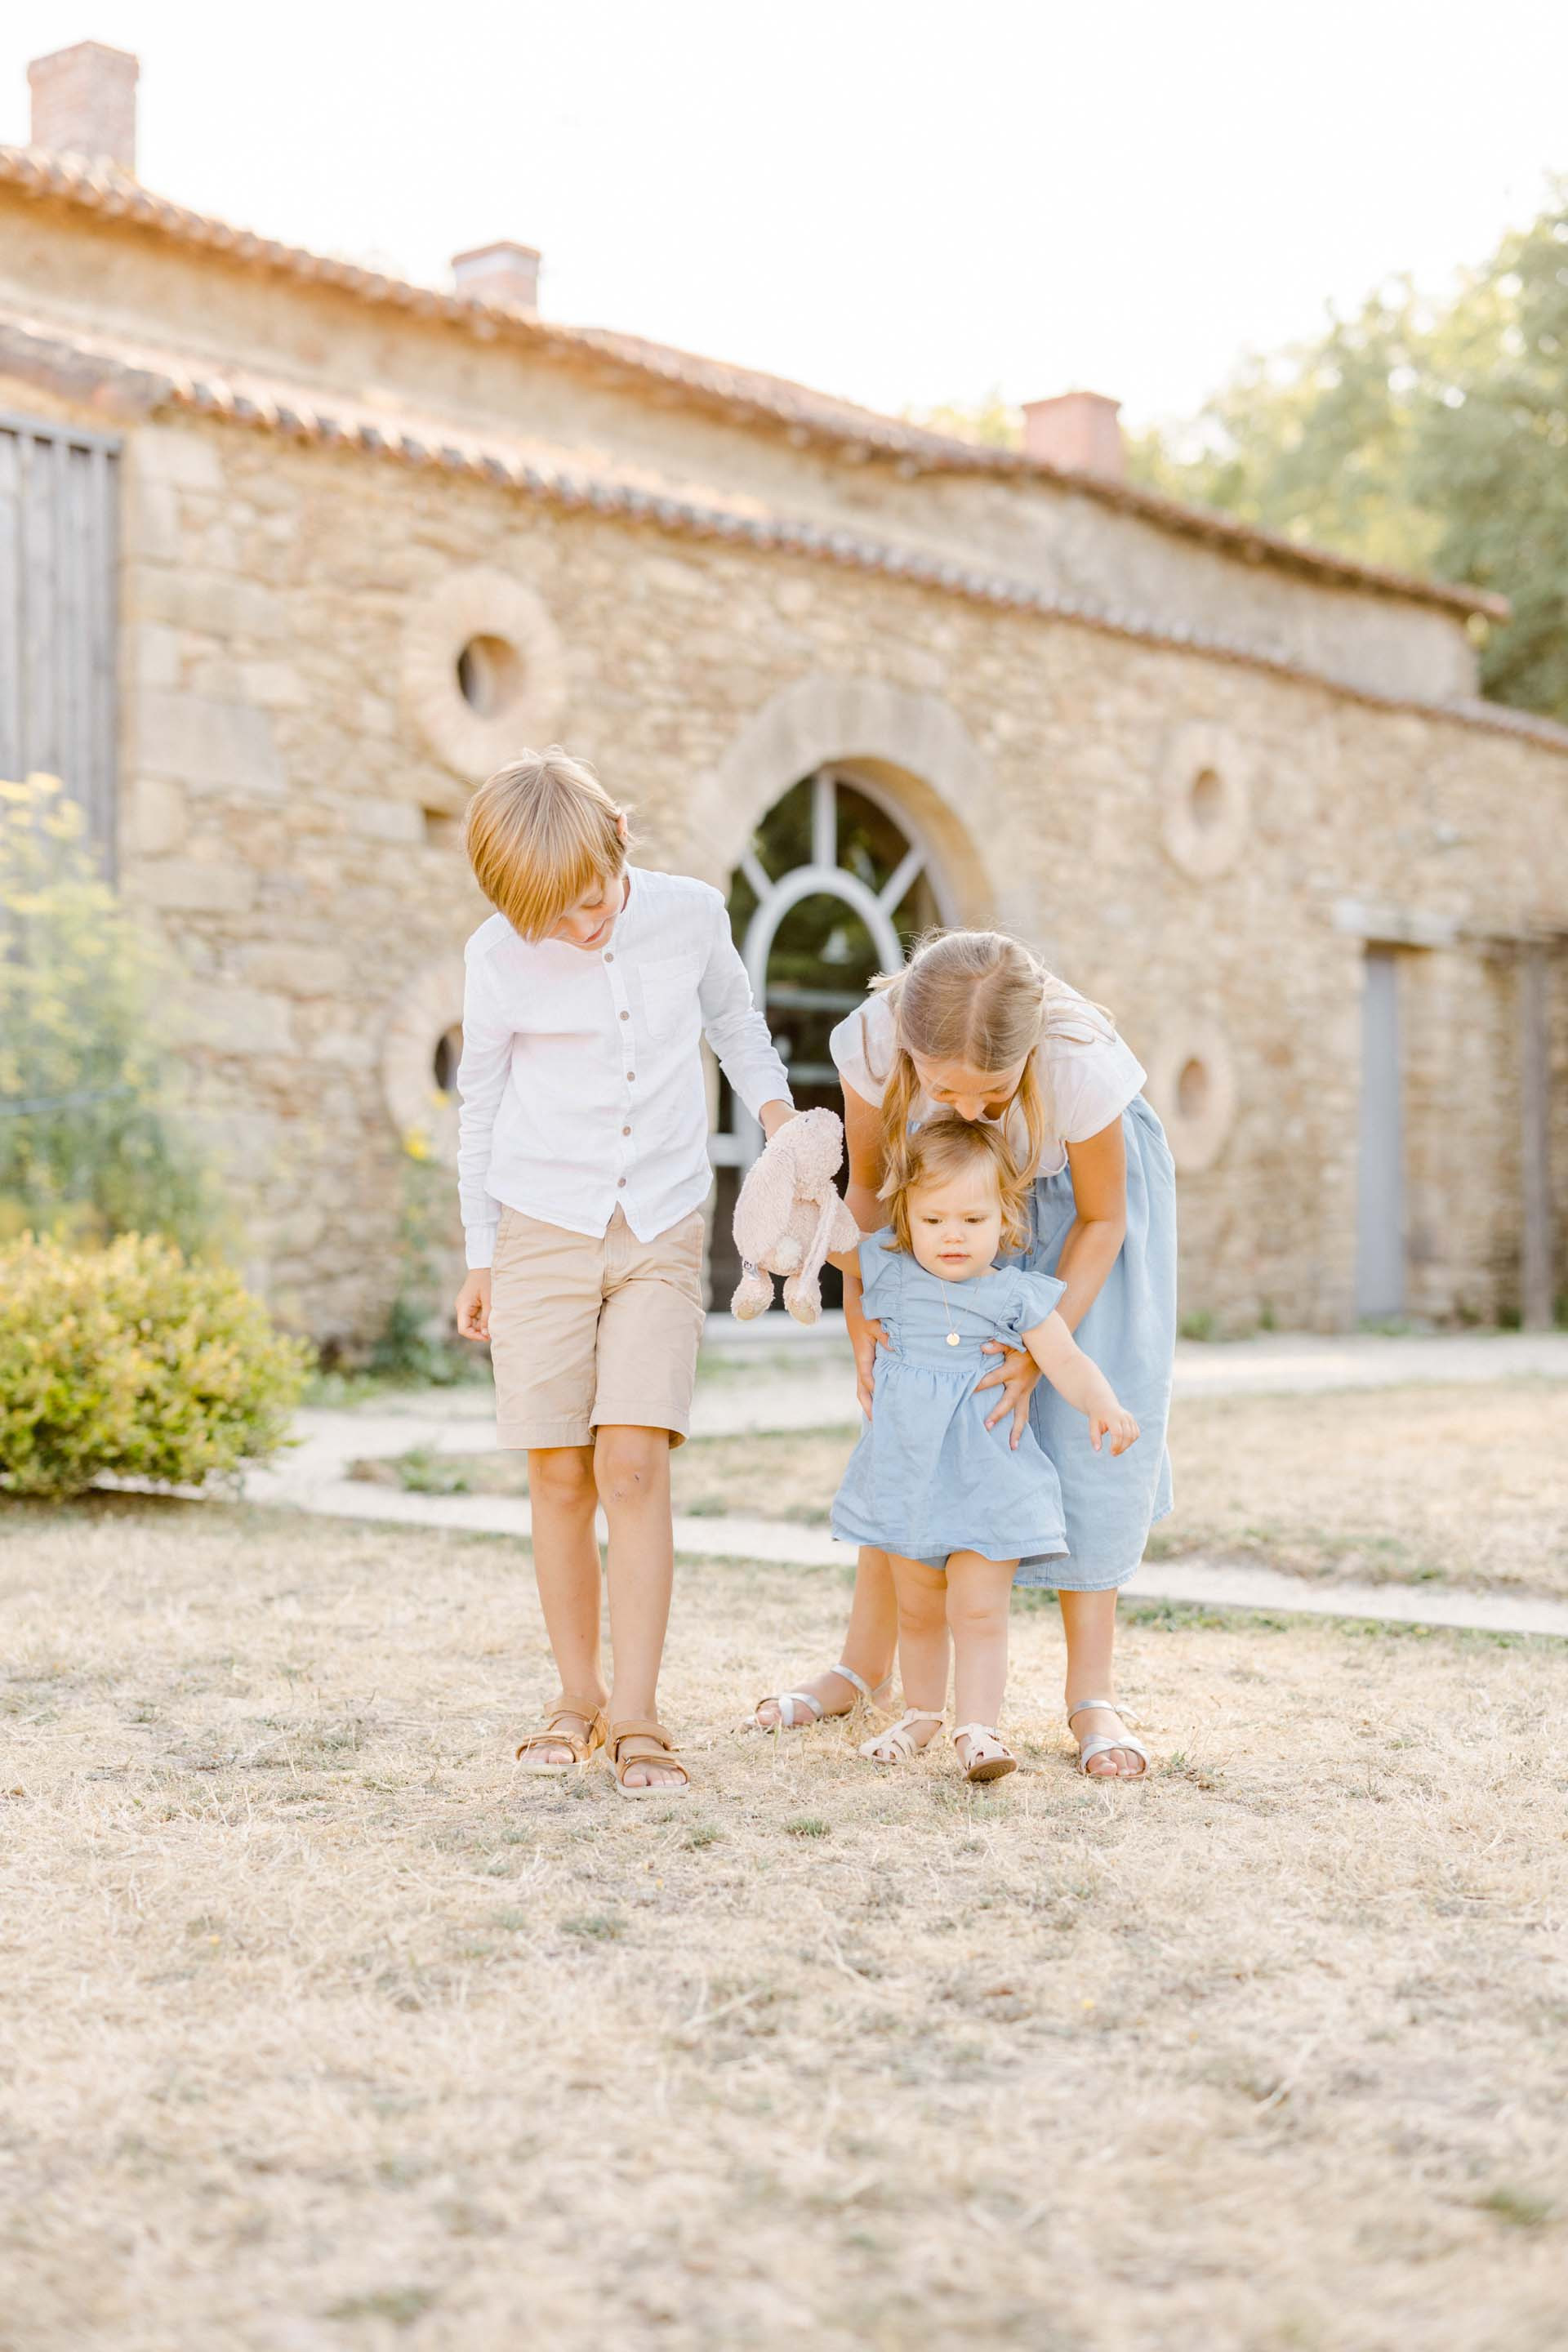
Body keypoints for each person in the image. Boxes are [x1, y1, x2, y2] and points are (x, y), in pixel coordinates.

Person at [753, 929, 1174, 1779]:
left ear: (1027, 1058)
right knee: (921, 1430)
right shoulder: (873, 1043)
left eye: (994, 1090)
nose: (973, 1108)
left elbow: (1104, 1219)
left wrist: (1033, 1348)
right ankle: (862, 1669)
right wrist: (865, 1315)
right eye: (948, 1089)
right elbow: (868, 1191)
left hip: (1078, 1215)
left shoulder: (1077, 1066)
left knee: (1078, 1438)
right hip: (944, 1205)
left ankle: (1091, 1695)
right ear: (910, 1050)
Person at [452, 748, 795, 1796]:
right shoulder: (497, 957)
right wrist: (480, 1256)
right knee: (558, 1472)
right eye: (553, 919)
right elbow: (482, 1103)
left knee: (634, 1462)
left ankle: (640, 1716)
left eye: (593, 902)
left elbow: (736, 1026)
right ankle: (577, 1697)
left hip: (660, 1222)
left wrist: (783, 1133)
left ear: (620, 846)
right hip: (539, 1227)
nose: (581, 928)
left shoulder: (690, 915)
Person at [827, 1117, 1138, 1780]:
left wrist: (1104, 1403)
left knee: (976, 1610)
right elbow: (817, 1241)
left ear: (1005, 1220)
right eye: (934, 1218)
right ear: (907, 1216)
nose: (952, 1235)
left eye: (973, 1219)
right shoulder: (886, 1269)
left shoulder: (1013, 1296)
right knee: (917, 1609)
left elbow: (1067, 1361)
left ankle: (978, 1729)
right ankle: (919, 1715)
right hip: (908, 1476)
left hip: (989, 1481)